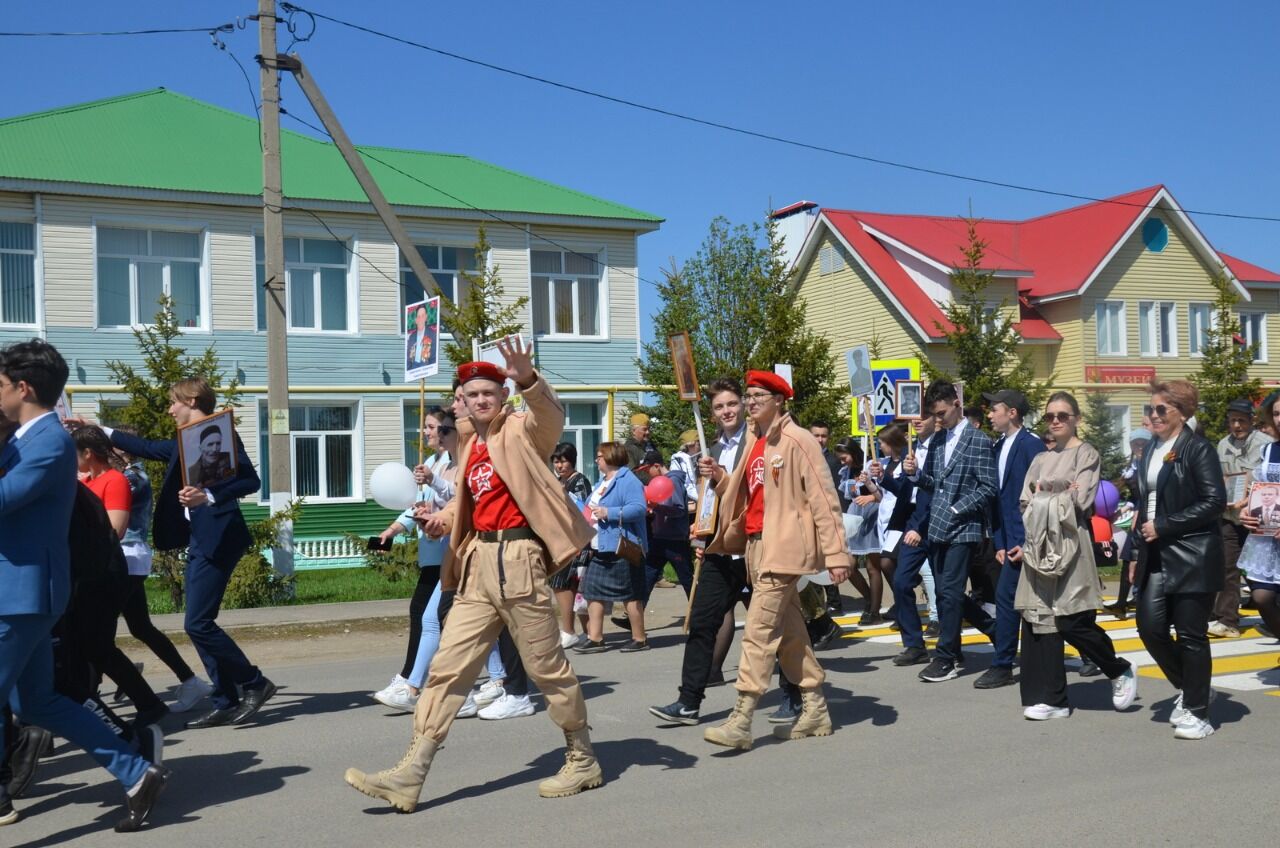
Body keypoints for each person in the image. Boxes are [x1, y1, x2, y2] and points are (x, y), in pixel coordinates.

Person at [345, 341, 603, 811]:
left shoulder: (521, 431)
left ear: (502, 396)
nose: (481, 400)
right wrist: (440, 519)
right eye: (472, 394)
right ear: (461, 399)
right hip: (477, 565)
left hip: (520, 559)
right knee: (447, 669)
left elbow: (550, 419)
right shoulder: (472, 445)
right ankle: (412, 771)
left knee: (546, 667)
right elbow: (471, 503)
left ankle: (582, 756)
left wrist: (527, 380)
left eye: (489, 392)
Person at [0, 339, 166, 831]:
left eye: (1, 383)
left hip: (21, 593)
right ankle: (137, 773)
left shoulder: (48, 441)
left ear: (23, 387)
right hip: (20, 591)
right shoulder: (24, 437)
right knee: (36, 702)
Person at [78, 377, 271, 729]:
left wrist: (208, 496)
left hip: (220, 538)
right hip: (200, 540)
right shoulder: (185, 443)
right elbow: (146, 446)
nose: (169, 409)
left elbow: (250, 482)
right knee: (198, 624)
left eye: (174, 402)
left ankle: (254, 683)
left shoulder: (220, 434)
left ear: (193, 399)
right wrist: (94, 428)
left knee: (197, 623)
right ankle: (226, 698)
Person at [699, 370, 851, 751]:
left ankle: (741, 717)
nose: (749, 402)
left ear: (779, 401)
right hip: (754, 545)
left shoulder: (798, 441)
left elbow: (824, 499)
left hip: (784, 548)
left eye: (757, 396)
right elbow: (740, 493)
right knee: (791, 633)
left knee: (758, 631)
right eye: (747, 395)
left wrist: (836, 553)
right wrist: (715, 491)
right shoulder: (755, 441)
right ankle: (815, 707)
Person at [1013, 392, 1137, 719]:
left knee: (1071, 619)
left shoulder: (1086, 454)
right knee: (1041, 620)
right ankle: (1053, 699)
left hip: (1070, 544)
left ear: (1076, 418)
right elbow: (1025, 502)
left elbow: (1080, 502)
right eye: (1050, 416)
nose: (1055, 421)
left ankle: (1118, 668)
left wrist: (1046, 497)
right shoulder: (1040, 459)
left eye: (1062, 415)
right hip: (1039, 545)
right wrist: (1056, 496)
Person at [649, 378, 752, 726]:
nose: (726, 411)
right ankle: (688, 701)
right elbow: (710, 497)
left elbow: (752, 492)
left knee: (777, 627)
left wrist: (722, 475)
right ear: (712, 414)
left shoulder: (757, 444)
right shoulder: (713, 448)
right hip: (719, 548)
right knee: (702, 622)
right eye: (719, 407)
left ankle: (796, 695)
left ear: (743, 405)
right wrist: (701, 532)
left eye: (731, 404)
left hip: (755, 548)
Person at [1132, 379, 1226, 740]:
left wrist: (1165, 525)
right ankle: (1193, 687)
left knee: (1190, 635)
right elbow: (1145, 503)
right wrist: (1137, 553)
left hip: (1192, 553)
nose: (1152, 416)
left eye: (1160, 410)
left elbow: (1214, 501)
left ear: (1183, 413)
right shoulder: (1153, 448)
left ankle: (1199, 712)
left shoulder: (1197, 449)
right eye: (1149, 410)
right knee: (1149, 627)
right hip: (1155, 550)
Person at [70, 426, 169, 727]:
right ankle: (138, 703)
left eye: (75, 454)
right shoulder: (86, 481)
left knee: (97, 644)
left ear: (88, 453)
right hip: (87, 571)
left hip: (107, 570)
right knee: (90, 644)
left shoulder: (114, 481)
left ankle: (146, 704)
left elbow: (115, 530)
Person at [902, 380, 998, 683]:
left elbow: (988, 487)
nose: (938, 420)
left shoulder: (978, 439)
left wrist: (958, 509)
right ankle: (995, 629)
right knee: (948, 593)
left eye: (942, 413)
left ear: (957, 403)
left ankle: (947, 657)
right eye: (935, 414)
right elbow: (933, 483)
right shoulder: (939, 440)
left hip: (965, 528)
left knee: (949, 594)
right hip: (938, 527)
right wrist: (916, 474)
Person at [113, 428, 211, 712]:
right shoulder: (126, 475)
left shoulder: (132, 478)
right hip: (128, 558)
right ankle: (189, 680)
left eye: (111, 448)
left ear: (122, 451)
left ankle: (120, 681)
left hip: (128, 557)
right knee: (140, 626)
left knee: (95, 631)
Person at [371, 408, 459, 711]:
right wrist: (393, 530)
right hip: (431, 552)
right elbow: (416, 506)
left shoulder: (451, 463)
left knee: (427, 616)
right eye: (426, 427)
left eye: (433, 427)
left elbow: (455, 500)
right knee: (439, 619)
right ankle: (498, 679)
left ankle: (410, 680)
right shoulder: (431, 463)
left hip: (448, 552)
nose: (427, 432)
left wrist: (433, 481)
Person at [973, 389, 1045, 689]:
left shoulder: (1032, 445)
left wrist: (1026, 542)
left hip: (1027, 540)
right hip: (1007, 541)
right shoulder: (998, 445)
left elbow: (1038, 500)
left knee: (1017, 601)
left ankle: (1003, 664)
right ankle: (1007, 662)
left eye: (994, 409)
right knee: (1015, 601)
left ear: (1012, 412)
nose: (989, 414)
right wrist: (1000, 544)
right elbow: (999, 500)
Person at [575, 442, 650, 653]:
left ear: (610, 457)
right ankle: (595, 637)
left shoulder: (628, 480)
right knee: (592, 591)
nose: (597, 459)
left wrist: (610, 512)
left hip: (622, 547)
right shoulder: (602, 482)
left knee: (631, 594)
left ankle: (639, 638)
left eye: (599, 456)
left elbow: (638, 508)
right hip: (599, 546)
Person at [1212, 399, 1271, 638]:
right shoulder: (1222, 445)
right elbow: (1220, 478)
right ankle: (1228, 621)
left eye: (1242, 420)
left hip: (1258, 518)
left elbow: (1268, 481)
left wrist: (1249, 497)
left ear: (1252, 420)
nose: (1236, 425)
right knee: (1228, 568)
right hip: (1230, 516)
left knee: (1263, 571)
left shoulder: (1265, 445)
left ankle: (1271, 617)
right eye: (1233, 420)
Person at [1239, 392, 1280, 640]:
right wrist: (1247, 510)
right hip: (1268, 536)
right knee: (1262, 597)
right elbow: (1259, 489)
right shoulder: (1268, 450)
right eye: (1276, 413)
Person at [550, 442, 592, 648]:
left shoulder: (579, 481)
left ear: (572, 460)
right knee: (569, 585)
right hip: (559, 539)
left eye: (563, 461)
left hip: (576, 540)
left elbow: (581, 510)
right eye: (556, 462)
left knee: (565, 584)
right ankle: (586, 632)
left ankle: (569, 630)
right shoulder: (557, 481)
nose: (559, 466)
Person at [1108, 428, 1153, 617]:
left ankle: (1144, 603)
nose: (1139, 446)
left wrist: (1137, 514)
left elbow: (1148, 494)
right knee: (1128, 559)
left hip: (1150, 518)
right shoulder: (1133, 466)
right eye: (1136, 443)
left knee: (1143, 561)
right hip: (1138, 515)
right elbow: (1135, 497)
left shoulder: (1152, 465)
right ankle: (1121, 602)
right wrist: (1122, 511)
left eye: (1143, 443)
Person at [642, 453, 694, 601]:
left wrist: (657, 508)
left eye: (648, 469)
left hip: (675, 540)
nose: (647, 473)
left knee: (686, 578)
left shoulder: (673, 482)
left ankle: (699, 614)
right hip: (659, 537)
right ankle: (632, 617)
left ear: (657, 466)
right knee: (647, 576)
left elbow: (679, 509)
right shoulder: (661, 482)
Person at [185, 424, 233, 488]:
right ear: (201, 448)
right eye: (210, 444)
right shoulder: (192, 473)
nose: (214, 449)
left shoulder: (229, 458)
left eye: (218, 444)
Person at [669, 430, 701, 503]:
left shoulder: (699, 457)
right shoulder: (679, 460)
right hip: (690, 500)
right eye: (698, 443)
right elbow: (685, 484)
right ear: (690, 445)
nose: (699, 446)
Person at [624, 412, 657, 482]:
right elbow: (632, 473)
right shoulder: (628, 448)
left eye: (648, 429)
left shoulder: (651, 445)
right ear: (633, 431)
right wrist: (653, 480)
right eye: (644, 429)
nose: (648, 432)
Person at [809, 420, 842, 490]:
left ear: (829, 438)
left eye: (823, 436)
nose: (820, 440)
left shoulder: (834, 461)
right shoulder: (801, 457)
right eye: (816, 436)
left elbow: (838, 489)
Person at [406, 304, 435, 370]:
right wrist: (409, 370)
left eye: (422, 316)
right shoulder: (412, 337)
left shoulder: (432, 334)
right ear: (416, 320)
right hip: (413, 366)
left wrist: (429, 369)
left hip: (425, 366)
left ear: (426, 317)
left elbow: (433, 357)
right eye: (418, 317)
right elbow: (408, 358)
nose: (421, 319)